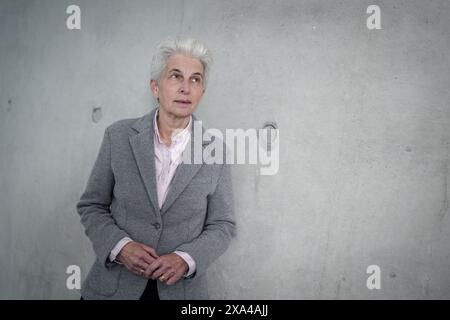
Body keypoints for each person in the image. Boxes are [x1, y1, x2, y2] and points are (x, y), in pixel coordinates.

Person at [76, 38, 236, 300]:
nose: (186, 88)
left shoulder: (215, 151)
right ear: (155, 87)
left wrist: (187, 259)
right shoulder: (118, 136)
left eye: (195, 80)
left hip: (181, 292)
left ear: (202, 92)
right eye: (176, 76)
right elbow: (92, 205)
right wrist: (121, 247)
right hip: (113, 289)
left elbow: (223, 224)